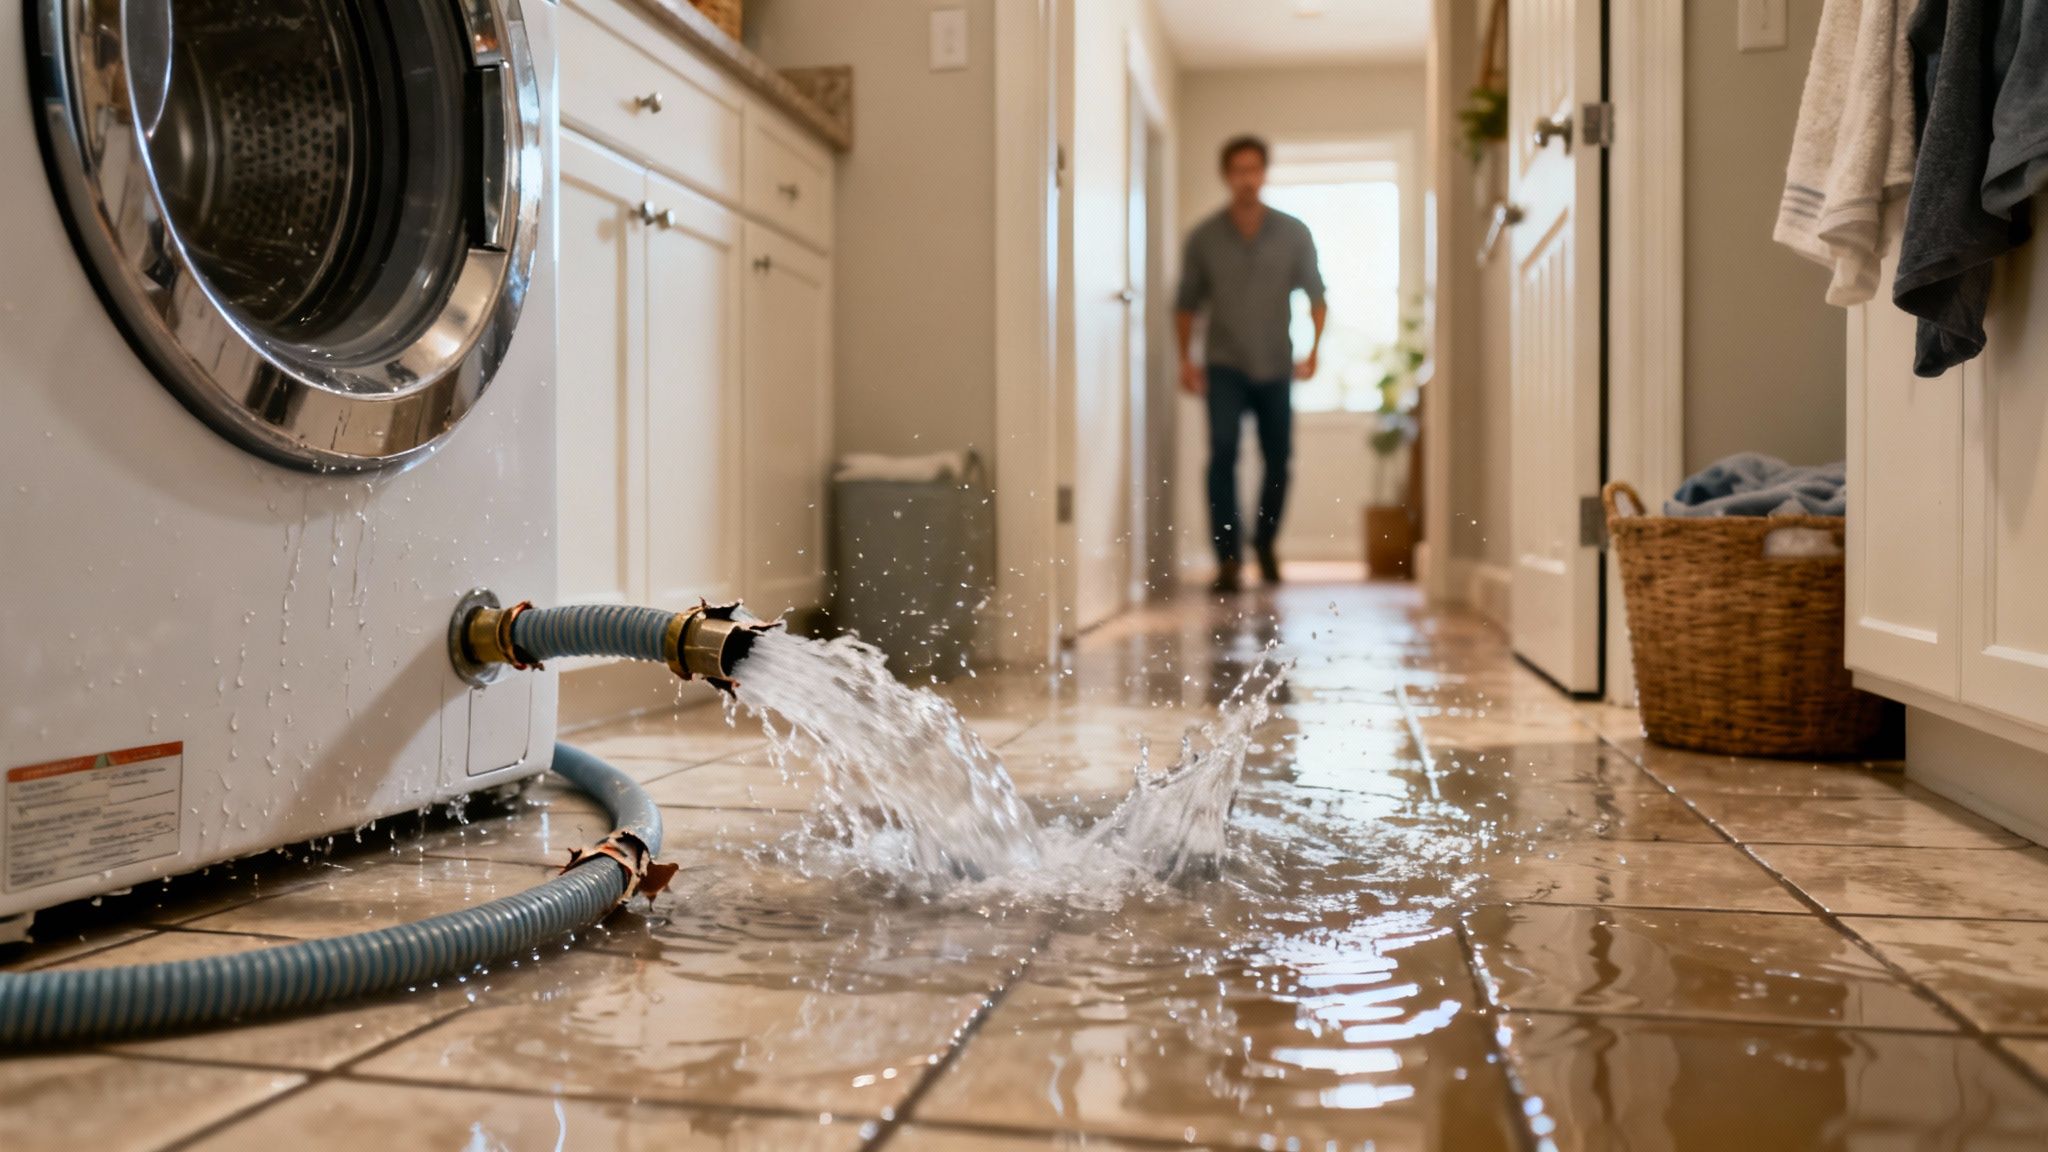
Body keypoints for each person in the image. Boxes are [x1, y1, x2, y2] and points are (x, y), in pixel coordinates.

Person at [1175, 134, 1326, 593]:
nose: (1247, 178)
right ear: (1226, 176)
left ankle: (1264, 543)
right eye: (1238, 170)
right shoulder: (1204, 237)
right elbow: (1186, 305)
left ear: (1264, 173)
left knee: (1278, 458)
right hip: (1223, 364)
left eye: (1254, 169)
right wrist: (1186, 358)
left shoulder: (1294, 232)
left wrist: (1314, 349)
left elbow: (1317, 295)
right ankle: (1227, 558)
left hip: (1276, 365)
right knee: (1222, 454)